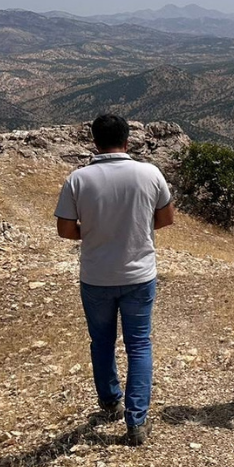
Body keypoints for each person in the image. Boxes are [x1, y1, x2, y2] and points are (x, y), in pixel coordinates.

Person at [54, 113, 174, 445]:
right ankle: (137, 422)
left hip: (95, 276)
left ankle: (109, 401)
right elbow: (166, 218)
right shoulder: (149, 173)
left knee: (102, 342)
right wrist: (136, 231)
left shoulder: (78, 179)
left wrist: (94, 234)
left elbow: (65, 230)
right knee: (139, 345)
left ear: (95, 141)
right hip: (139, 274)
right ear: (127, 140)